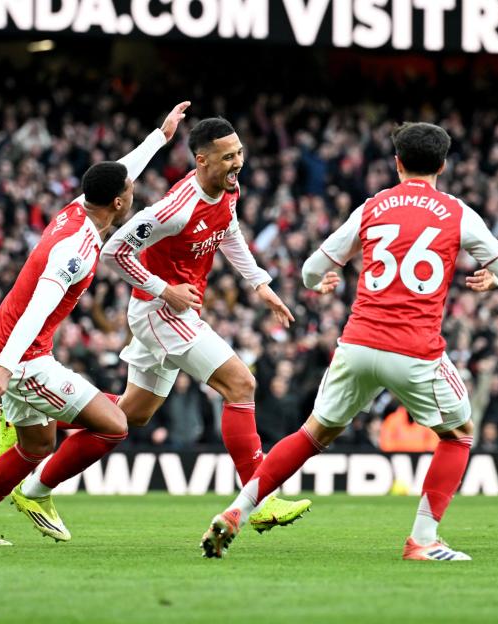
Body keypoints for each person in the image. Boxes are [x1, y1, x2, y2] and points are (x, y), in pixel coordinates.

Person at [200, 121, 498, 561]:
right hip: (414, 349)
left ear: (397, 163)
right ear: (443, 166)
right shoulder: (457, 212)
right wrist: (490, 280)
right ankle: (423, 539)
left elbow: (313, 269)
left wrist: (325, 280)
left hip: (357, 343)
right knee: (460, 435)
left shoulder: (373, 206)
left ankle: (238, 509)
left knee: (312, 434)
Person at [0, 103, 189, 546]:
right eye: (130, 189)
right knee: (114, 424)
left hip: (0, 339)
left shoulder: (78, 209)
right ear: (119, 202)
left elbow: (120, 170)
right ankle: (37, 493)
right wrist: (6, 368)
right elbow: (39, 306)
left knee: (36, 447)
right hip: (23, 358)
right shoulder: (77, 249)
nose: (134, 189)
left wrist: (160, 136)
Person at [99, 117, 310, 532]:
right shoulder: (173, 209)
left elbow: (228, 232)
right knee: (241, 384)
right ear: (202, 160)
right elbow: (113, 251)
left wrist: (260, 285)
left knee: (131, 415)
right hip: (160, 310)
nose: (238, 163)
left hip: (175, 310)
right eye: (228, 156)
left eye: (240, 153)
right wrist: (165, 289)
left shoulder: (228, 191)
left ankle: (45, 407)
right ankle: (259, 499)